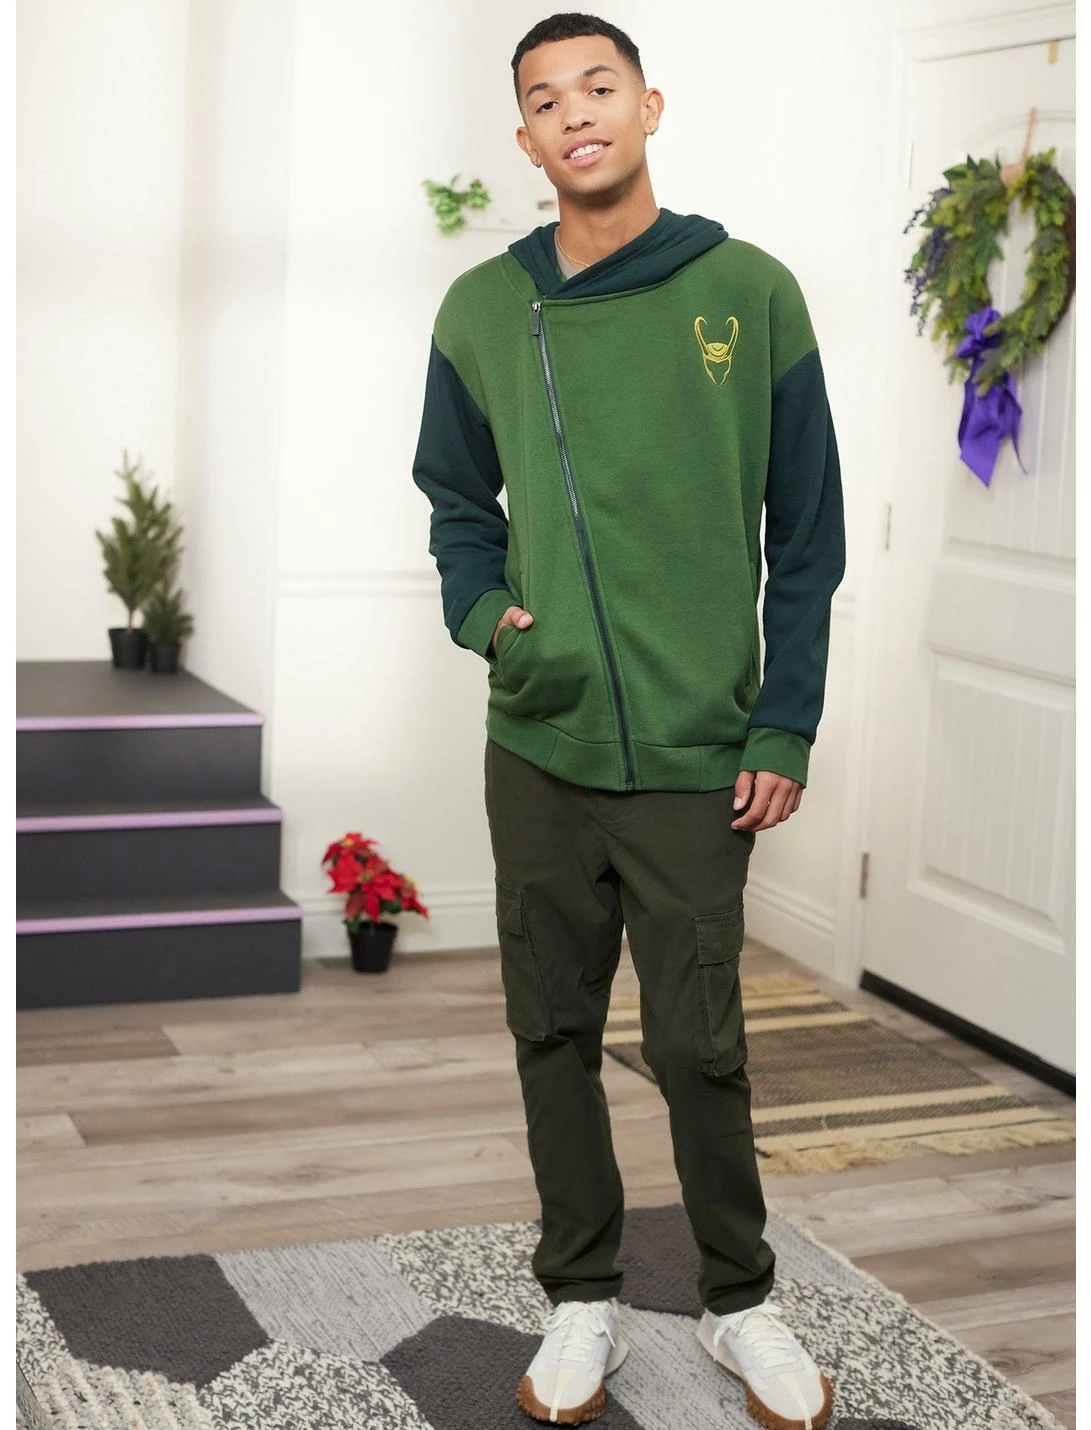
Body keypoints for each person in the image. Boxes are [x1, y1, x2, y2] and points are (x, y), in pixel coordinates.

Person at [412, 13, 845, 1428]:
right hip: (539, 741)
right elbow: (454, 499)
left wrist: (781, 724)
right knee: (550, 1027)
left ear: (650, 106)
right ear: (524, 139)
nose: (575, 113)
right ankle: (579, 1292)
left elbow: (810, 535)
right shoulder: (482, 309)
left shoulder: (753, 291)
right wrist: (488, 615)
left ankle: (740, 1300)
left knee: (700, 1044)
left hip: (696, 752)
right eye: (545, 99)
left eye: (598, 86)